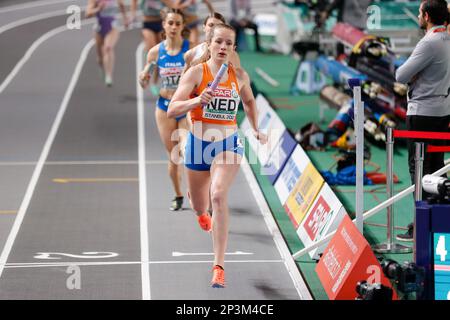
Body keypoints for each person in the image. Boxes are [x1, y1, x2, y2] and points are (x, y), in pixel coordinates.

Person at [167, 23, 267, 287]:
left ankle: (218, 265)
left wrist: (256, 129)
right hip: (199, 146)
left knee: (219, 195)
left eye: (228, 43)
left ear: (233, 48)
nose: (223, 47)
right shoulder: (196, 73)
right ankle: (198, 208)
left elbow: (249, 101)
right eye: (218, 42)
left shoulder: (240, 75)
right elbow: (172, 109)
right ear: (209, 44)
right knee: (201, 205)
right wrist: (196, 101)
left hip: (228, 145)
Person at [395, 0, 450, 241]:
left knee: (419, 167)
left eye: (419, 12)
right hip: (442, 110)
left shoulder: (429, 42)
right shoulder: (447, 38)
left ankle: (423, 223)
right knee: (437, 166)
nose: (418, 16)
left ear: (426, 16)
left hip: (422, 113)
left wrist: (415, 74)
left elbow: (401, 75)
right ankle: (439, 218)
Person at [139, 8, 192, 211]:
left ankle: (195, 192)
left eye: (178, 23)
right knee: (174, 156)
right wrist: (142, 78)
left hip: (186, 106)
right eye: (170, 23)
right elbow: (146, 79)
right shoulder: (155, 52)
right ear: (164, 25)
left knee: (186, 151)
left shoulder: (190, 51)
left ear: (182, 26)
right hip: (164, 107)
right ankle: (178, 194)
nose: (173, 27)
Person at [132, 0, 177, 95]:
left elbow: (173, 6)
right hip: (147, 23)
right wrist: (133, 15)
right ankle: (147, 71)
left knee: (159, 55)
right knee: (152, 49)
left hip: (160, 24)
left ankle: (154, 82)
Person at [86, 0, 129, 87]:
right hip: (99, 28)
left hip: (112, 26)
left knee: (108, 48)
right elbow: (87, 14)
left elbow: (121, 5)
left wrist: (125, 19)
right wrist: (98, 8)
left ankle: (108, 75)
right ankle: (101, 64)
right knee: (100, 58)